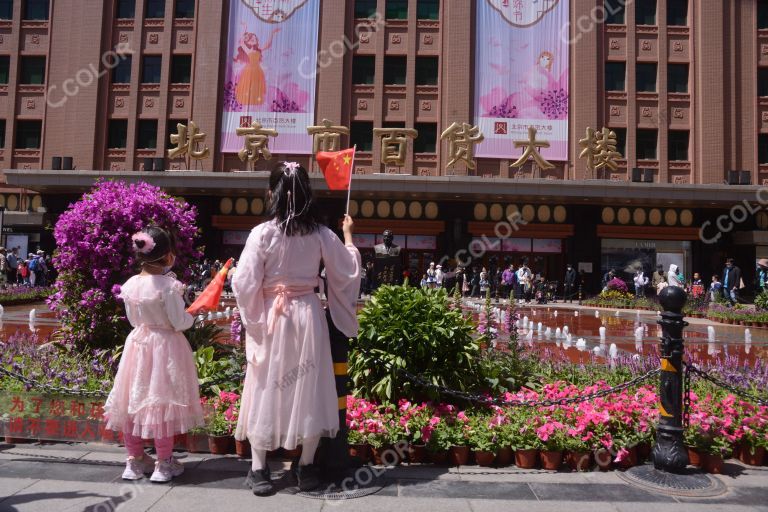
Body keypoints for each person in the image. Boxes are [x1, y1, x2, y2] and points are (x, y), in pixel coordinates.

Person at [232, 162, 361, 496]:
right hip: (307, 316)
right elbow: (346, 272)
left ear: (272, 193)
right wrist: (348, 236)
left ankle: (259, 468)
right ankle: (305, 467)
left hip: (273, 317)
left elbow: (243, 282)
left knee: (265, 384)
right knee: (310, 386)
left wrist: (256, 319)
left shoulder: (262, 233)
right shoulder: (320, 234)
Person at [103, 226, 204, 483]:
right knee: (161, 402)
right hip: (165, 347)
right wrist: (193, 313)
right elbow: (178, 322)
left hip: (138, 344)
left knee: (132, 401)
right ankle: (163, 462)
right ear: (168, 255)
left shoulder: (130, 285)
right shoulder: (169, 286)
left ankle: (135, 461)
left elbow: (132, 319)